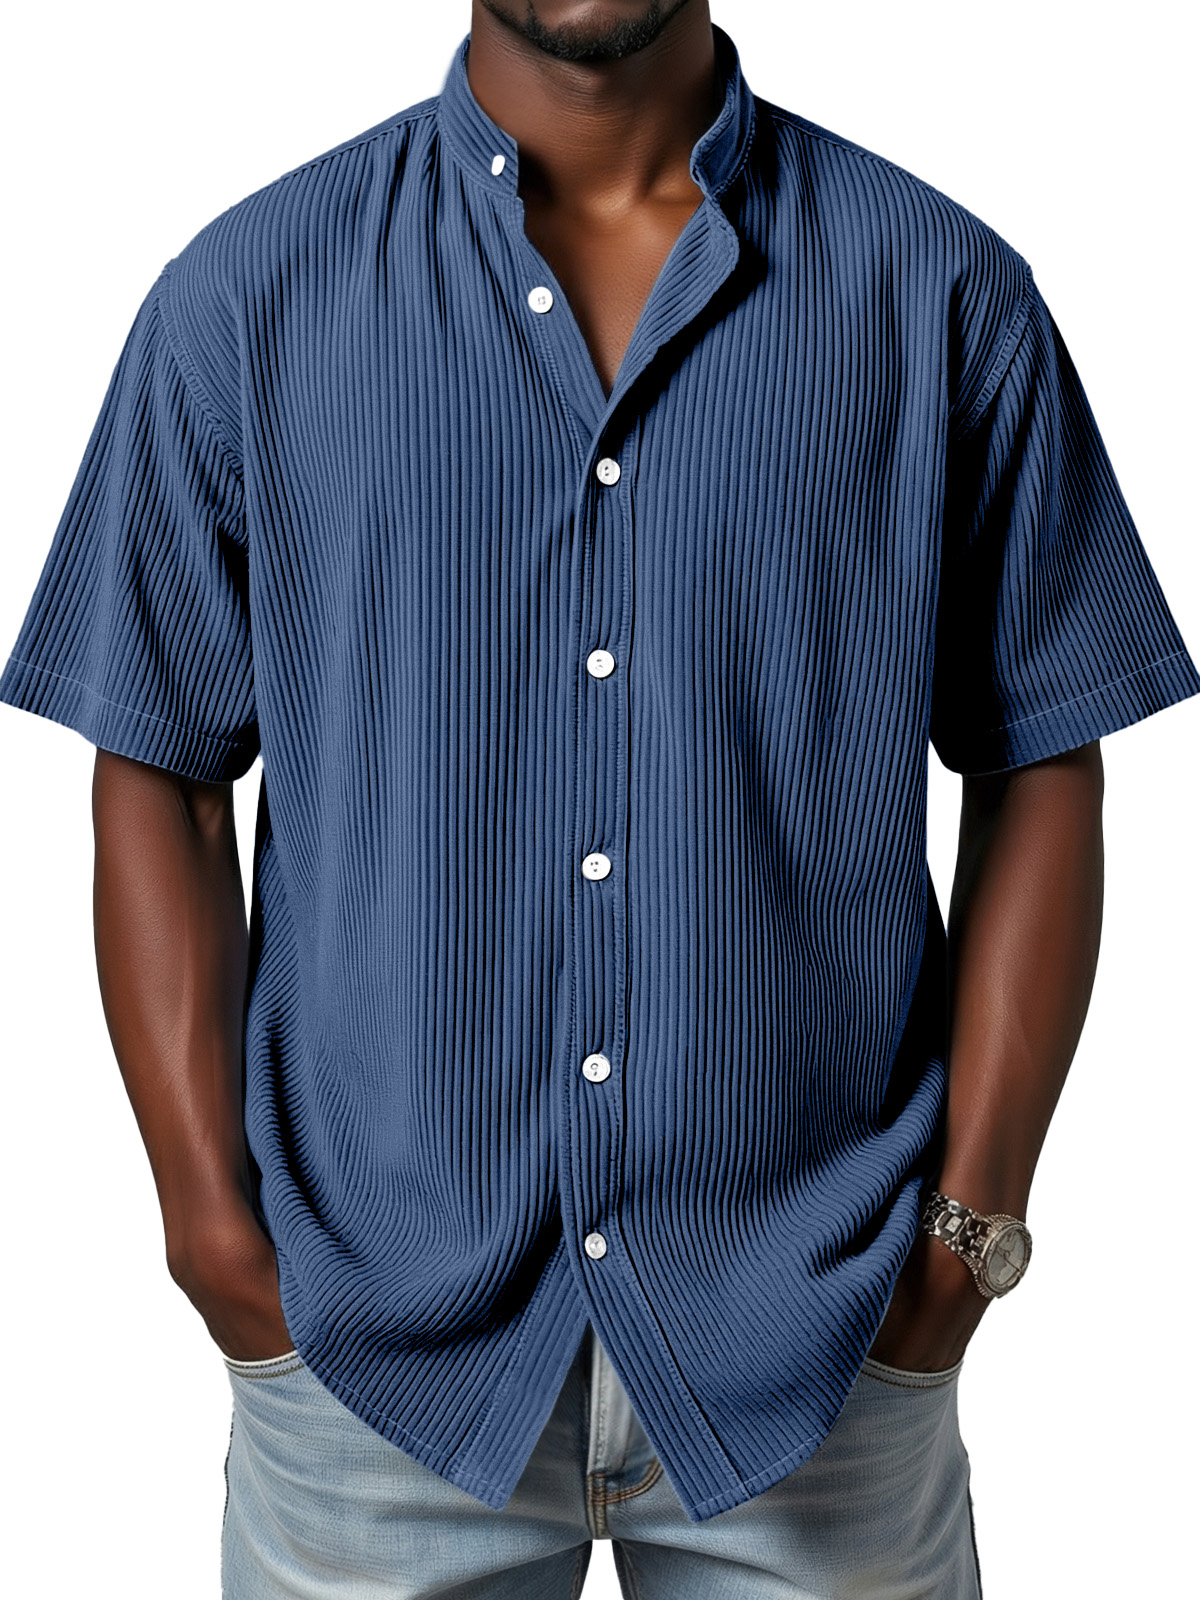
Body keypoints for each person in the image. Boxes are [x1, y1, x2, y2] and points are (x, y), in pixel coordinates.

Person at [2, 2, 1197, 1595]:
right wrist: (212, 1235)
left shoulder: (941, 293)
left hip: (822, 1340)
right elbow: (158, 767)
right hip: (371, 1356)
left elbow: (1042, 748)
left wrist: (964, 1244)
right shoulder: (247, 298)